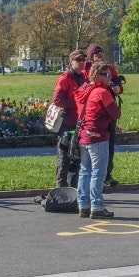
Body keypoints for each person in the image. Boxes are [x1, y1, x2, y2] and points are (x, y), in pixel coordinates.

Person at [74, 60, 122, 219]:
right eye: (107, 75)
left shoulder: (83, 89)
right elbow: (116, 114)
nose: (110, 78)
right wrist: (113, 94)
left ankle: (83, 205)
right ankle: (97, 206)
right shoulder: (102, 92)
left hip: (83, 135)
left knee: (84, 171)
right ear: (98, 75)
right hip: (98, 135)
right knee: (98, 173)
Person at [85, 43, 122, 187]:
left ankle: (107, 174)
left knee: (109, 144)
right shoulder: (86, 69)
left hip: (108, 109)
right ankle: (91, 178)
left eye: (101, 53)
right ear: (91, 56)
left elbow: (118, 87)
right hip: (92, 112)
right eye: (96, 53)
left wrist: (117, 88)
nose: (99, 55)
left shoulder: (111, 68)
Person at [51, 49, 87, 188]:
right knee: (64, 159)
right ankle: (60, 189)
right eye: (78, 60)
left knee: (76, 159)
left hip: (79, 124)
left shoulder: (83, 77)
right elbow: (57, 100)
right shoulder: (64, 79)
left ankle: (73, 189)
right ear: (71, 62)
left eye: (83, 60)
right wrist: (77, 102)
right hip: (66, 125)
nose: (81, 62)